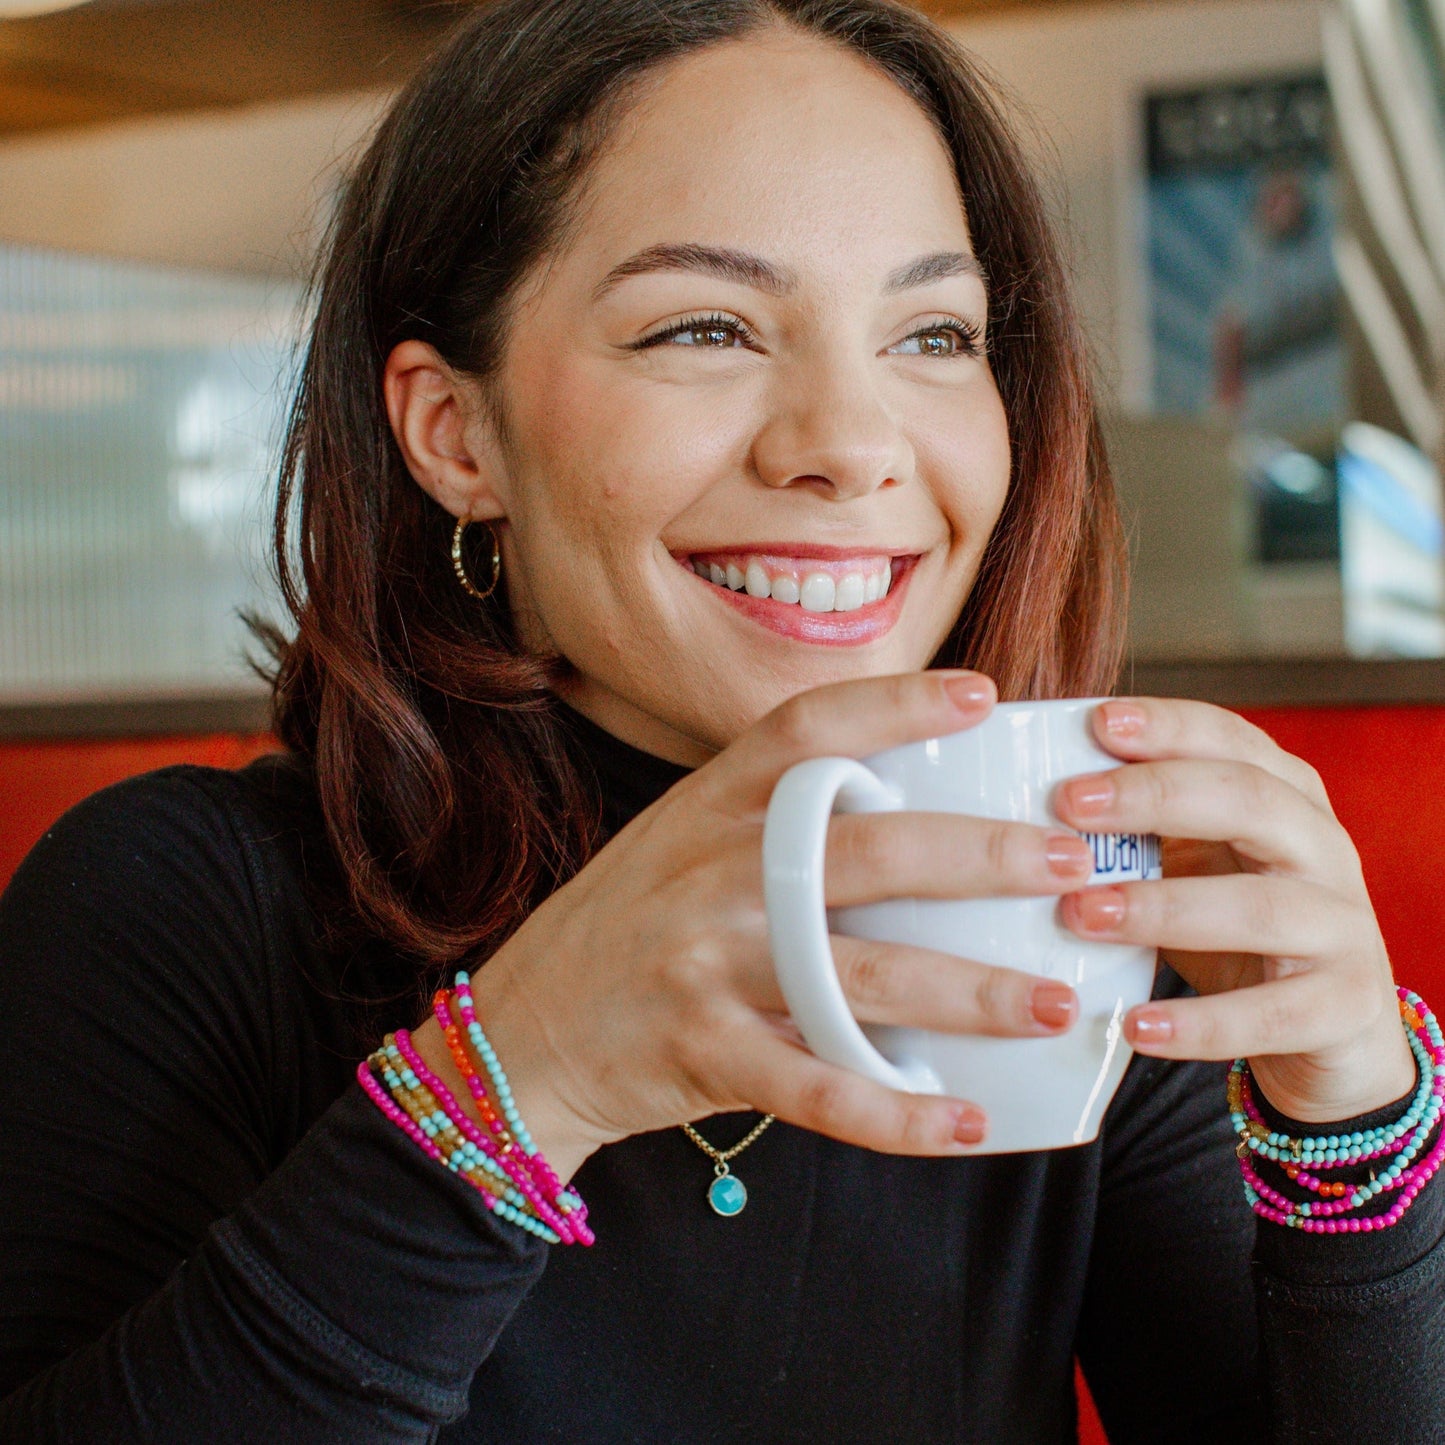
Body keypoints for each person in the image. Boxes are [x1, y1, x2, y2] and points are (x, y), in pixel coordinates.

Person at [1, 1, 1441, 1440]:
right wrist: (520, 1084)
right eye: (705, 326)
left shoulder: (1038, 923)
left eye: (932, 332)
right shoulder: (176, 905)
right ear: (455, 431)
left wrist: (1352, 1117)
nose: (849, 443)